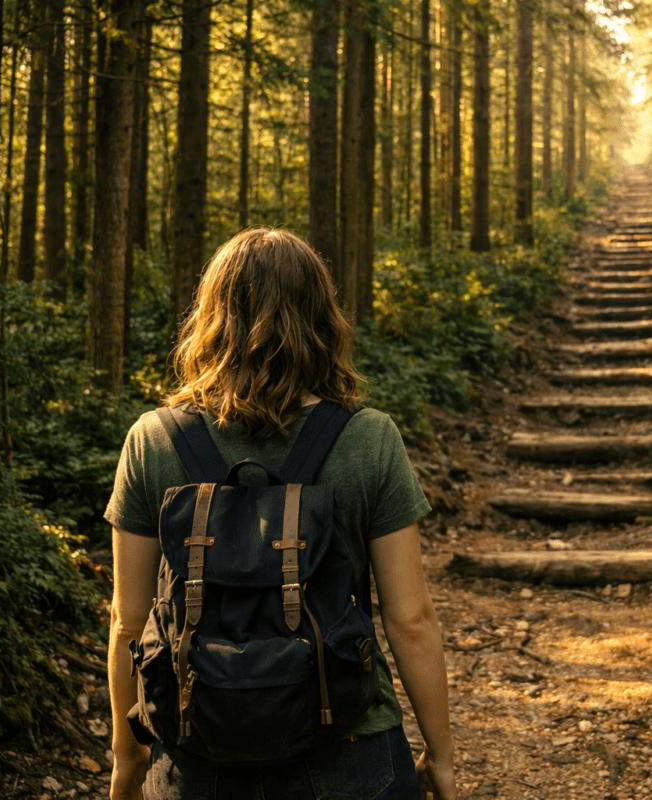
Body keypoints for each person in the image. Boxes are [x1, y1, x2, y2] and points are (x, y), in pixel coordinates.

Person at [104, 228, 456, 800]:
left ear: (210, 317)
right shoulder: (369, 438)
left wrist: (129, 753)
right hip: (349, 746)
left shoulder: (152, 441)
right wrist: (439, 754)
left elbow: (127, 621)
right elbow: (410, 619)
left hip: (196, 752)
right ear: (322, 318)